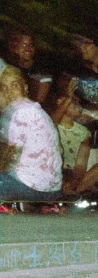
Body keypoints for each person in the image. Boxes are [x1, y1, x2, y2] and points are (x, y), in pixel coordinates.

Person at [0, 65, 62, 201]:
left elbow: (12, 156)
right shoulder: (33, 109)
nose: (8, 92)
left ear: (25, 88)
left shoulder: (22, 113)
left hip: (32, 188)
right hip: (51, 189)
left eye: (14, 85)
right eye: (4, 88)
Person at [54, 87, 98, 196]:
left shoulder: (83, 132)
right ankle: (68, 193)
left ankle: (71, 193)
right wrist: (68, 98)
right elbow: (52, 122)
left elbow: (80, 164)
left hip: (71, 173)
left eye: (77, 101)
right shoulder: (50, 124)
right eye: (71, 100)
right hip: (53, 171)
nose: (76, 103)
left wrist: (74, 181)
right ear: (60, 103)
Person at [0, 25, 54, 106]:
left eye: (31, 45)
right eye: (24, 45)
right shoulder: (8, 65)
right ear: (14, 47)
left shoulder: (41, 70)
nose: (28, 49)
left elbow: (39, 101)